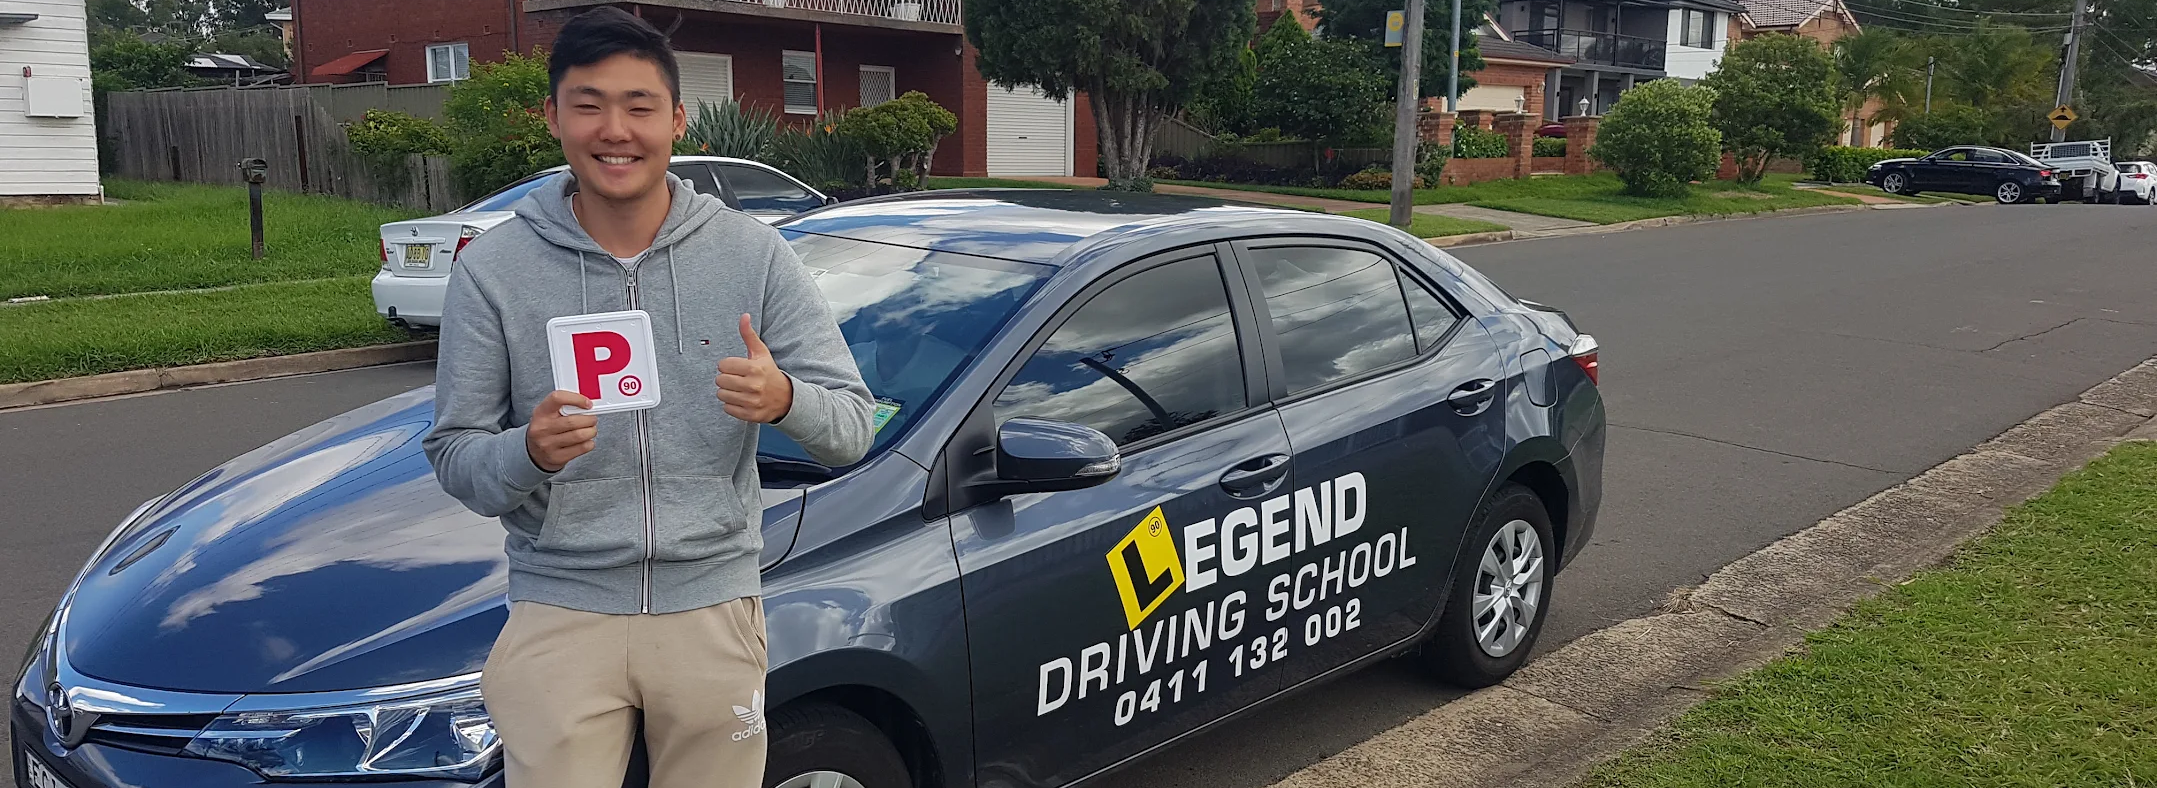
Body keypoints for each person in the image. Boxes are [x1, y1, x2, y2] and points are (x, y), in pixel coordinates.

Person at [420, 8, 874, 788]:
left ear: (676, 120)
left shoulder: (753, 253)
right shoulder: (494, 269)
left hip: (712, 608)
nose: (615, 130)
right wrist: (527, 452)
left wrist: (785, 399)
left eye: (638, 106)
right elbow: (455, 453)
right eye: (588, 105)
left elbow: (853, 428)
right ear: (552, 116)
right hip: (560, 611)